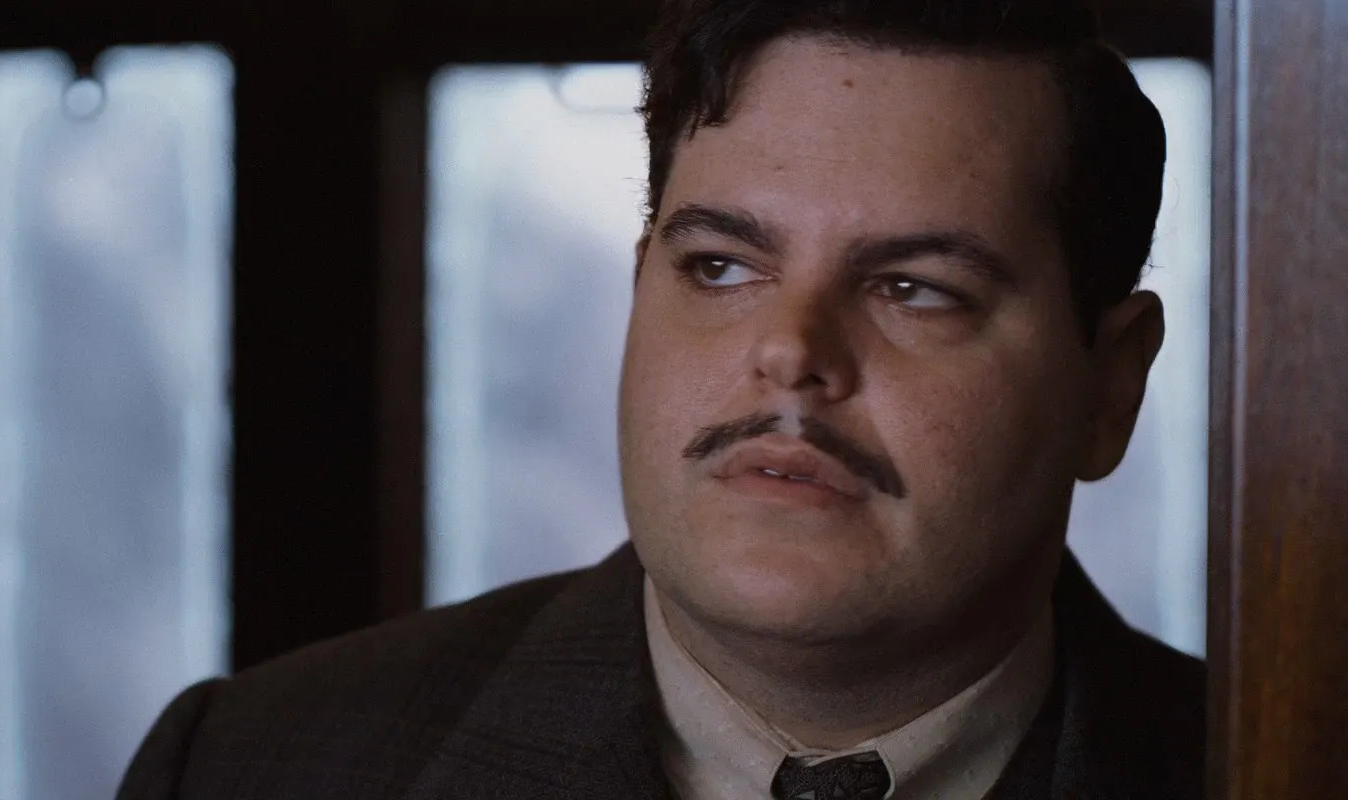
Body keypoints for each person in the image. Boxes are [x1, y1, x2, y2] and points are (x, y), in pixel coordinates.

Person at [119, 0, 1201, 797]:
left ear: (1111, 386)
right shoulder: (246, 767)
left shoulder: (1271, 765)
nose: (791, 352)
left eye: (915, 288)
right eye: (721, 267)